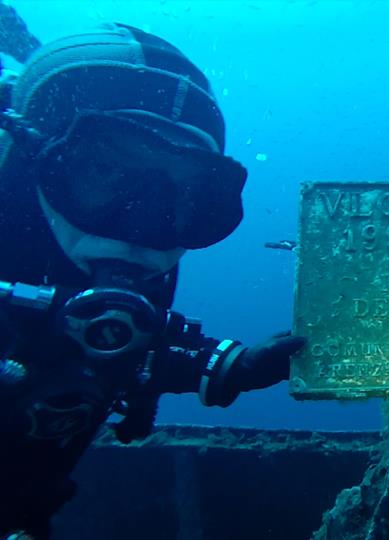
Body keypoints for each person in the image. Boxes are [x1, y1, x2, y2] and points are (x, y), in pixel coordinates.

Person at [0, 24, 306, 538]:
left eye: (183, 194)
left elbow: (113, 342)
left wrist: (225, 368)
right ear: (39, 155)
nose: (142, 222)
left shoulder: (118, 245)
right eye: (105, 172)